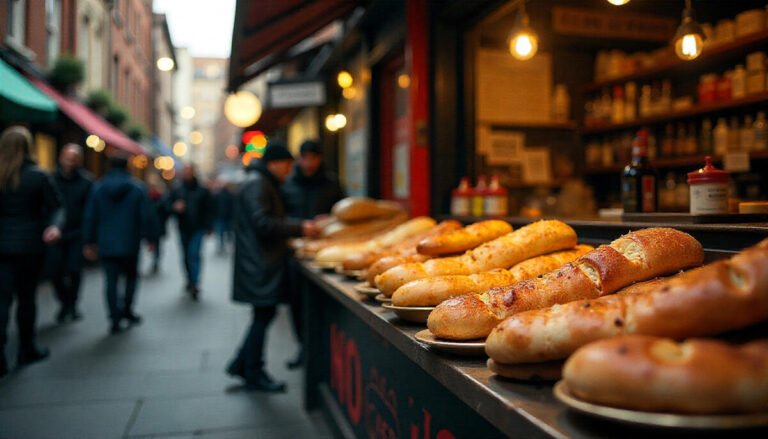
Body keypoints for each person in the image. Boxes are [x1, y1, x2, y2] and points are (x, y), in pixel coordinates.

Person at [227, 143, 319, 392]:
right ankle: (254, 372)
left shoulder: (259, 181)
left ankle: (240, 363)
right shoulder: (259, 183)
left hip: (258, 262)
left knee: (262, 316)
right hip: (259, 264)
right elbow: (263, 223)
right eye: (287, 165)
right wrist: (300, 227)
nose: (289, 171)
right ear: (274, 163)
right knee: (263, 316)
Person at [0, 126, 64, 377]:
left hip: (2, 248)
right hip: (29, 247)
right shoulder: (38, 176)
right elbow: (57, 207)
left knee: (2, 300)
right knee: (26, 299)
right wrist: (54, 228)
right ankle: (27, 348)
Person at [281, 140, 344, 369]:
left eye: (314, 157)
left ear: (320, 159)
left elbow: (342, 215)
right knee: (297, 302)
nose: (309, 162)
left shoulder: (331, 183)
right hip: (296, 254)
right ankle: (303, 348)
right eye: (305, 157)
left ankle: (323, 349)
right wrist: (299, 225)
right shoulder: (288, 184)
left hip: (325, 252)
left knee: (322, 303)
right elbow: (281, 217)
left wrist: (327, 220)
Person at [83, 156, 158, 335]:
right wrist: (151, 238)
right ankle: (127, 309)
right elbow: (147, 215)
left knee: (111, 281)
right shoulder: (137, 188)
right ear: (127, 166)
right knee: (131, 277)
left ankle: (114, 317)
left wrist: (89, 241)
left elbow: (90, 216)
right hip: (130, 241)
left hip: (106, 242)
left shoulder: (98, 188)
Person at [50, 144, 93, 322]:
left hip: (77, 233)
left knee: (75, 271)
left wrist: (89, 237)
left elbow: (90, 210)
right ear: (61, 157)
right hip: (56, 233)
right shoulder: (50, 179)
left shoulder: (86, 181)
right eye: (68, 157)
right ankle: (65, 303)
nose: (70, 161)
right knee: (54, 272)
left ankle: (72, 305)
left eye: (74, 158)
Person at [168, 164, 213, 300]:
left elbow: (209, 209)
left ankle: (194, 282)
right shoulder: (177, 190)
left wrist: (209, 226)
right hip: (183, 228)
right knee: (186, 256)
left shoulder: (203, 191)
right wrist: (174, 207)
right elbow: (166, 205)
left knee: (194, 255)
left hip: (198, 228)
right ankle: (189, 279)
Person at [148, 181, 170, 274]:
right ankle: (154, 262)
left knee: (157, 245)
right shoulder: (147, 198)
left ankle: (155, 262)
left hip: (158, 226)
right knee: (153, 245)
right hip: (150, 227)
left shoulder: (162, 199)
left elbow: (167, 213)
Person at [212, 182, 234, 254]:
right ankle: (223, 246)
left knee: (222, 233)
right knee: (225, 233)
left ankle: (222, 246)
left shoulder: (218, 195)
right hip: (224, 217)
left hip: (222, 217)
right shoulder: (230, 195)